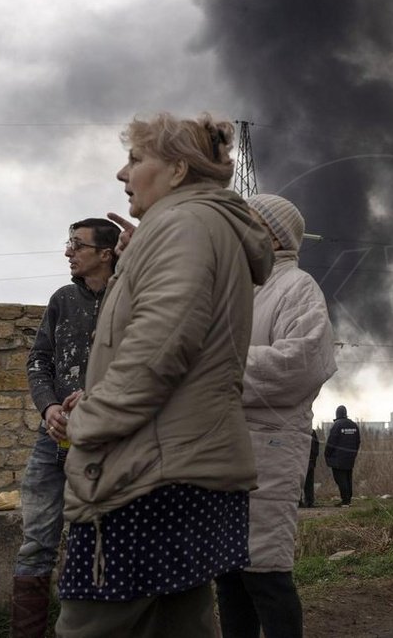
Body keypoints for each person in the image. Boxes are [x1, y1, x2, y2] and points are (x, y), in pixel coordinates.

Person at [54, 112, 274, 638]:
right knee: (179, 624)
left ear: (177, 170)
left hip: (148, 477)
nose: (121, 174)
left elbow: (158, 352)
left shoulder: (184, 226)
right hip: (185, 464)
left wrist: (88, 421)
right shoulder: (194, 225)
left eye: (134, 160)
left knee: (92, 626)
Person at [214, 193, 337, 638]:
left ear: (271, 234)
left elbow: (300, 365)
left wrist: (217, 369)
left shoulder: (298, 287)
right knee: (228, 574)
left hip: (270, 447)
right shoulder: (235, 288)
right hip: (223, 447)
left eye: (244, 222)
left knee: (265, 573)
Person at [11, 218, 120, 638]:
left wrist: (93, 398)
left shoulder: (129, 300)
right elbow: (39, 360)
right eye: (68, 243)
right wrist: (48, 407)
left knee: (90, 542)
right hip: (50, 443)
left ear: (106, 254)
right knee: (36, 544)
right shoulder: (61, 299)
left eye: (77, 244)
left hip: (102, 446)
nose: (68, 251)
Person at [325, 405, 360, 506]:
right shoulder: (354, 425)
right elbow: (358, 442)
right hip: (350, 458)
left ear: (337, 414)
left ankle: (345, 501)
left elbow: (331, 442)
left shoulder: (337, 425)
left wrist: (327, 454)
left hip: (338, 459)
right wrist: (354, 453)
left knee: (340, 479)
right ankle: (348, 500)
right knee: (348, 478)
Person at [301, 429, 320, 508]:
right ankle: (309, 501)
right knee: (309, 482)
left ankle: (298, 501)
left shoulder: (296, 429)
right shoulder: (312, 431)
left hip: (299, 460)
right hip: (310, 460)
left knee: (298, 481)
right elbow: (316, 447)